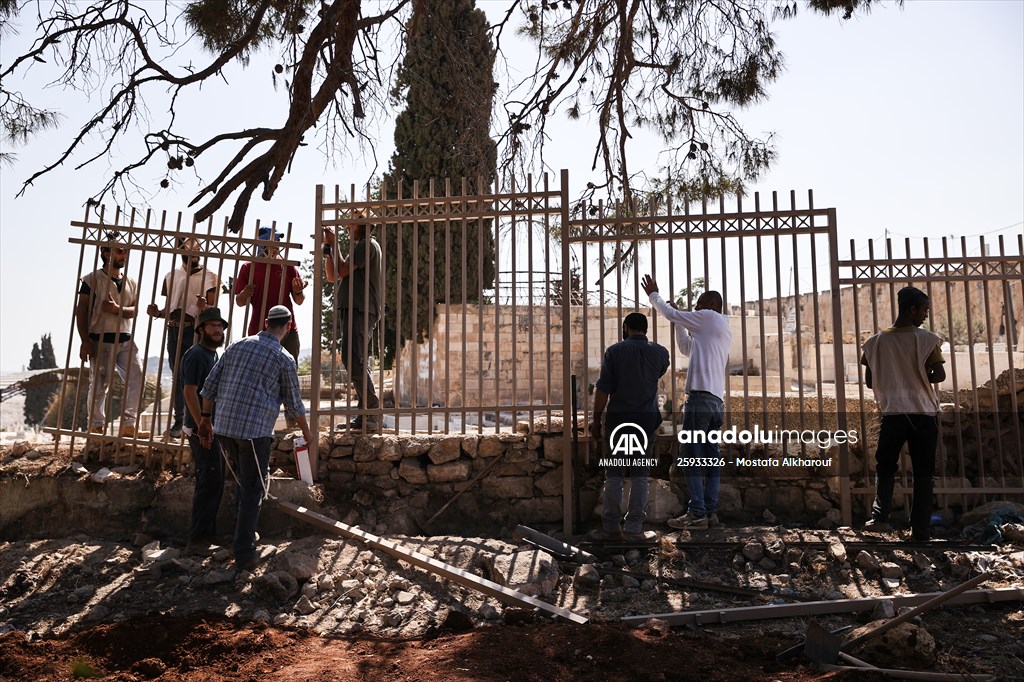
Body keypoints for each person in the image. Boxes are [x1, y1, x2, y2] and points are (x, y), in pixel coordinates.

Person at [198, 305, 314, 570]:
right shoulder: (284, 358)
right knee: (253, 489)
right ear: (287, 327)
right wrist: (308, 434)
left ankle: (244, 536)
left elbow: (209, 387)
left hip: (224, 428)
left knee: (243, 481)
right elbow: (294, 405)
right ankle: (245, 552)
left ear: (265, 322)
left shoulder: (236, 346)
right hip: (253, 433)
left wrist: (206, 419)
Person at [642, 274, 732, 531]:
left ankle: (697, 514)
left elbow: (670, 313)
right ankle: (710, 512)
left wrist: (654, 295)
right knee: (710, 458)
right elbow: (685, 347)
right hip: (715, 402)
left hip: (700, 400)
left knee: (690, 455)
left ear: (712, 305)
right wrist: (679, 320)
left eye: (700, 303)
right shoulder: (720, 329)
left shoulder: (710, 317)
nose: (696, 308)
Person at [861, 286, 946, 542]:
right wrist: (918, 377)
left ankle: (880, 518)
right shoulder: (926, 340)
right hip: (923, 413)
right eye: (924, 310)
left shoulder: (875, 342)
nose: (925, 316)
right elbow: (939, 375)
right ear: (912, 309)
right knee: (923, 473)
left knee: (885, 466)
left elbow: (869, 381)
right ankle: (920, 531)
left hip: (893, 413)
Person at [588, 312, 669, 543]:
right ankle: (634, 528)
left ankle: (611, 528)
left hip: (618, 421)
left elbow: (603, 389)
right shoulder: (660, 352)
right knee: (640, 475)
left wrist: (596, 419)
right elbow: (658, 372)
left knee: (613, 474)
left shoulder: (614, 352)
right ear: (646, 329)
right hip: (645, 421)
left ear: (625, 327)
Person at [76, 233, 149, 438]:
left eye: (125, 251)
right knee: (100, 384)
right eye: (119, 251)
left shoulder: (131, 281)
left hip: (125, 338)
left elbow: (134, 311)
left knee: (137, 378)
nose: (123, 255)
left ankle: (128, 425)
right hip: (101, 339)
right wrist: (84, 341)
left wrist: (117, 308)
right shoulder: (92, 279)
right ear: (106, 253)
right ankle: (97, 425)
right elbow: (81, 310)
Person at [147, 236, 219, 439]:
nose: (195, 253)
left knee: (198, 377)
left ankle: (199, 421)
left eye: (198, 249)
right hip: (174, 329)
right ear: (181, 250)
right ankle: (180, 421)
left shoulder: (210, 276)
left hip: (196, 330)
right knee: (179, 376)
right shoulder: (171, 276)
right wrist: (157, 313)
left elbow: (214, 305)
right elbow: (170, 308)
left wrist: (205, 306)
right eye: (190, 249)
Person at [323, 211, 383, 432]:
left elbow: (341, 270)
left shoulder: (367, 245)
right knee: (354, 358)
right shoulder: (359, 247)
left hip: (361, 308)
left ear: (363, 224)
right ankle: (364, 415)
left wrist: (334, 242)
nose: (348, 223)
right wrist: (329, 249)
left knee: (353, 357)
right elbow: (332, 275)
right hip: (353, 308)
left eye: (353, 219)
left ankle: (371, 412)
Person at [180, 306, 228, 554]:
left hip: (209, 427)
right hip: (202, 429)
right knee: (208, 481)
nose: (218, 330)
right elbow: (189, 391)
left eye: (220, 326)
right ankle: (197, 540)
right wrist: (202, 425)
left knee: (214, 480)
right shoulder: (196, 355)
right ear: (201, 330)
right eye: (212, 326)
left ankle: (206, 536)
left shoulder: (213, 355)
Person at [234, 226, 305, 365]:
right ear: (262, 242)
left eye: (279, 240)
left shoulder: (288, 266)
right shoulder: (248, 267)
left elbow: (299, 300)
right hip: (259, 330)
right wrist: (244, 293)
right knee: (256, 371)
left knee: (289, 371)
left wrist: (298, 291)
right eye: (274, 240)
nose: (278, 244)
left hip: (287, 329)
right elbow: (239, 302)